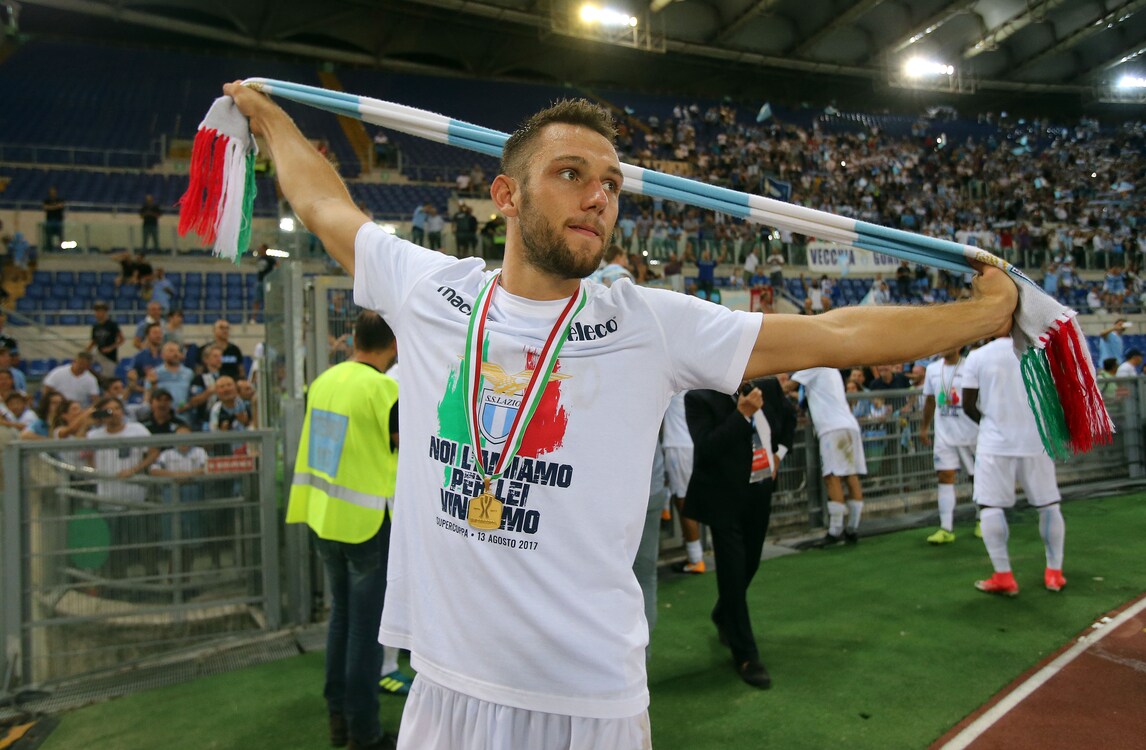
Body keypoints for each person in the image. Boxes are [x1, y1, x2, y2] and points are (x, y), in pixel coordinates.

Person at [225, 82, 1016, 748]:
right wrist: (270, 117)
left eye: (611, 183)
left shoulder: (647, 323)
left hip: (588, 703)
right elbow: (324, 205)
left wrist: (981, 317)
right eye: (570, 173)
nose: (599, 197)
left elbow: (835, 335)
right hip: (445, 687)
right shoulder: (432, 292)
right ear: (505, 196)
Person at [287, 310, 401, 750]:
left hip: (323, 517)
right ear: (394, 343)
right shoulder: (384, 389)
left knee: (341, 619)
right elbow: (403, 442)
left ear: (354, 339)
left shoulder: (324, 381)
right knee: (365, 631)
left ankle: (338, 716)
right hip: (366, 523)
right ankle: (364, 732)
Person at [684, 376, 795, 689]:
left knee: (750, 564)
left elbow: (788, 418)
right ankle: (746, 655)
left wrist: (779, 454)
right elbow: (707, 448)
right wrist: (742, 415)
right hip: (723, 498)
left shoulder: (768, 386)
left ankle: (723, 613)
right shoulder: (700, 397)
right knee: (732, 573)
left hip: (760, 489)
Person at [962, 337, 1066, 595]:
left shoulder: (977, 356)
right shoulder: (1038, 352)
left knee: (990, 506)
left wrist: (992, 424)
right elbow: (1055, 394)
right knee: (1048, 504)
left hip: (995, 444)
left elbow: (968, 405)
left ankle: (1003, 576)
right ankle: (1054, 573)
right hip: (1035, 439)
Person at [789, 367, 867, 545]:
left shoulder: (813, 365)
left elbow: (787, 386)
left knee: (832, 476)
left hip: (832, 429)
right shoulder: (831, 368)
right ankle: (852, 528)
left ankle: (835, 530)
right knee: (850, 475)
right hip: (848, 425)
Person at [919, 347, 978, 544]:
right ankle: (946, 528)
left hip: (970, 433)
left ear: (958, 345)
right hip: (944, 434)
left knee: (977, 478)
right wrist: (924, 427)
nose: (942, 347)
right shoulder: (932, 369)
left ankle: (982, 519)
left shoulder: (971, 366)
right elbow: (930, 400)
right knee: (944, 476)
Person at [661, 391, 704, 573]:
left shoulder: (675, 383)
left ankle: (696, 558)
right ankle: (694, 554)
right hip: (690, 444)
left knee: (684, 500)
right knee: (686, 498)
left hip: (678, 446)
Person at [87, 301, 124, 372]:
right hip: (99, 353)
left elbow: (122, 339)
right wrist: (86, 351)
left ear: (105, 312)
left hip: (110, 357)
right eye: (96, 312)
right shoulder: (95, 326)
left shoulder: (112, 325)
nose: (97, 314)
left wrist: (110, 348)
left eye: (99, 311)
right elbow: (94, 341)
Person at [42, 186, 65, 251]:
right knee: (49, 236)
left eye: (54, 192)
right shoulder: (46, 201)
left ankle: (62, 249)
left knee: (60, 235)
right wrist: (56, 206)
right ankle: (49, 249)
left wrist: (50, 207)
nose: (53, 194)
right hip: (49, 221)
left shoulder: (60, 200)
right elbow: (45, 207)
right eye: (51, 192)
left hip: (58, 221)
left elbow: (61, 206)